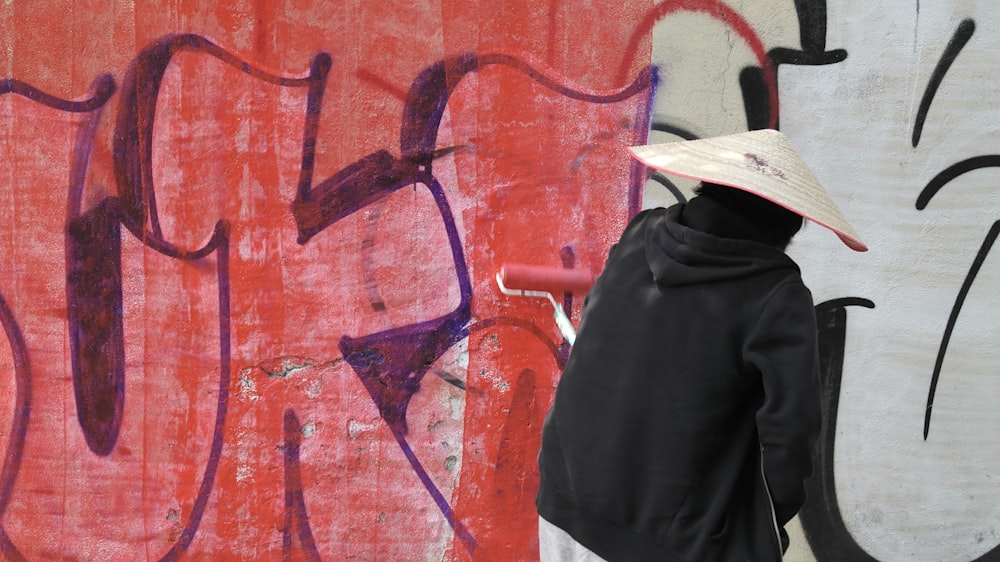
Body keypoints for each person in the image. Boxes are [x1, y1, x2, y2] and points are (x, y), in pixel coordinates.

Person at [535, 129, 867, 561]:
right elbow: (791, 437)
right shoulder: (774, 291)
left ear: (707, 186)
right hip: (664, 543)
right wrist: (748, 528)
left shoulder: (643, 231)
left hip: (563, 498)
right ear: (786, 224)